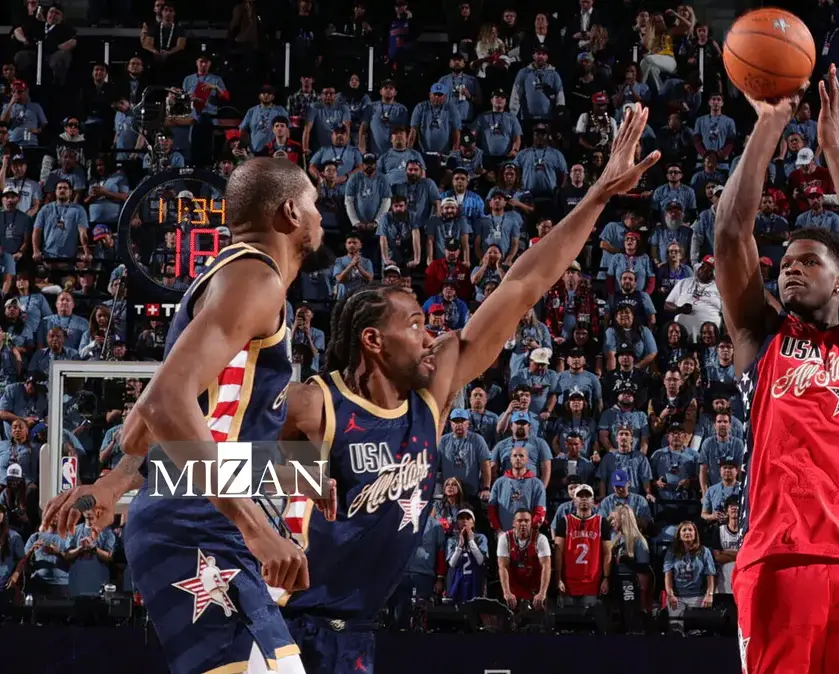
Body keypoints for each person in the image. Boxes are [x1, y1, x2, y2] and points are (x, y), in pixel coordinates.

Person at [265, 105, 661, 674]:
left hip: (354, 630)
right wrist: (292, 472)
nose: (431, 336)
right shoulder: (314, 402)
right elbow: (181, 466)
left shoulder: (432, 393)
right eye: (414, 325)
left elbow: (523, 285)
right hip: (282, 623)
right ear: (372, 341)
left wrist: (598, 195)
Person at [44, 158, 336, 673]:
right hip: (197, 523)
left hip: (188, 516)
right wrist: (256, 528)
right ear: (291, 212)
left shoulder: (231, 279)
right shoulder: (256, 278)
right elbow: (162, 404)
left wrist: (113, 483)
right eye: (313, 203)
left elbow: (142, 427)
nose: (320, 216)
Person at [714, 66, 839, 674]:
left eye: (808, 261)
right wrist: (770, 125)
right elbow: (730, 233)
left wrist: (833, 153)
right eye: (785, 263)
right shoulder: (760, 336)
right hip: (777, 559)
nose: (790, 268)